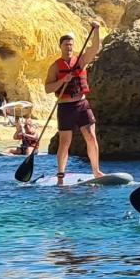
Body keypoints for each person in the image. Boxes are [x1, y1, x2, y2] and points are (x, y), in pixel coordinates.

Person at [45, 24, 104, 183]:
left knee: (91, 136)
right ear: (61, 46)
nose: (69, 47)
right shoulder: (55, 67)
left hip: (82, 104)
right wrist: (62, 80)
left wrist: (96, 30)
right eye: (66, 44)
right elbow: (47, 88)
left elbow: (95, 47)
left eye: (71, 44)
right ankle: (60, 175)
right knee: (65, 141)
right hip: (65, 106)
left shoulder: (81, 60)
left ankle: (96, 170)